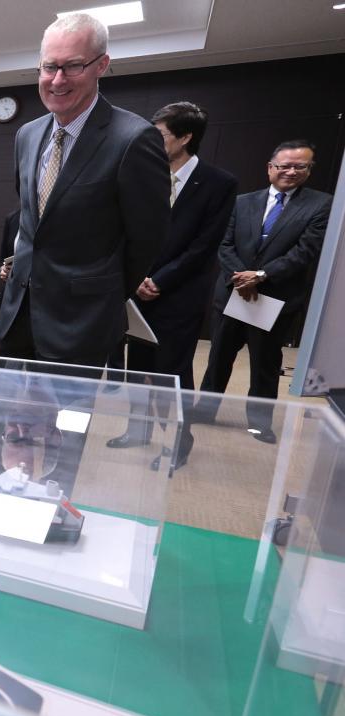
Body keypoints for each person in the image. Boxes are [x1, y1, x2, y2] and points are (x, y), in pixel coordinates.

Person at [0, 13, 170, 367]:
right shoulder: (26, 135)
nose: (57, 80)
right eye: (48, 67)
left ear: (101, 65)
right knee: (3, 418)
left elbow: (147, 239)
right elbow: (33, 221)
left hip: (81, 322)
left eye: (72, 66)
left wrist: (101, 294)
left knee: (65, 421)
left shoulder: (133, 139)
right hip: (17, 314)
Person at [106, 102, 237, 469]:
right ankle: (138, 430)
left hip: (180, 294)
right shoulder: (144, 174)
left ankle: (180, 441)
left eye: (159, 134)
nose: (151, 140)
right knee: (138, 366)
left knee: (173, 372)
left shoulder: (218, 183)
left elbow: (204, 246)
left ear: (185, 137)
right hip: (137, 290)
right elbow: (126, 230)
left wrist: (160, 280)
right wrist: (135, 278)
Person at [194, 140, 331, 443]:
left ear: (309, 170)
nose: (291, 171)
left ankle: (259, 422)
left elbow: (305, 251)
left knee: (265, 363)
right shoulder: (242, 201)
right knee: (218, 357)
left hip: (274, 296)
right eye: (284, 165)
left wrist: (260, 275)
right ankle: (204, 411)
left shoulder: (320, 205)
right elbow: (224, 243)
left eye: (300, 166)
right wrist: (241, 278)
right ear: (270, 168)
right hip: (233, 292)